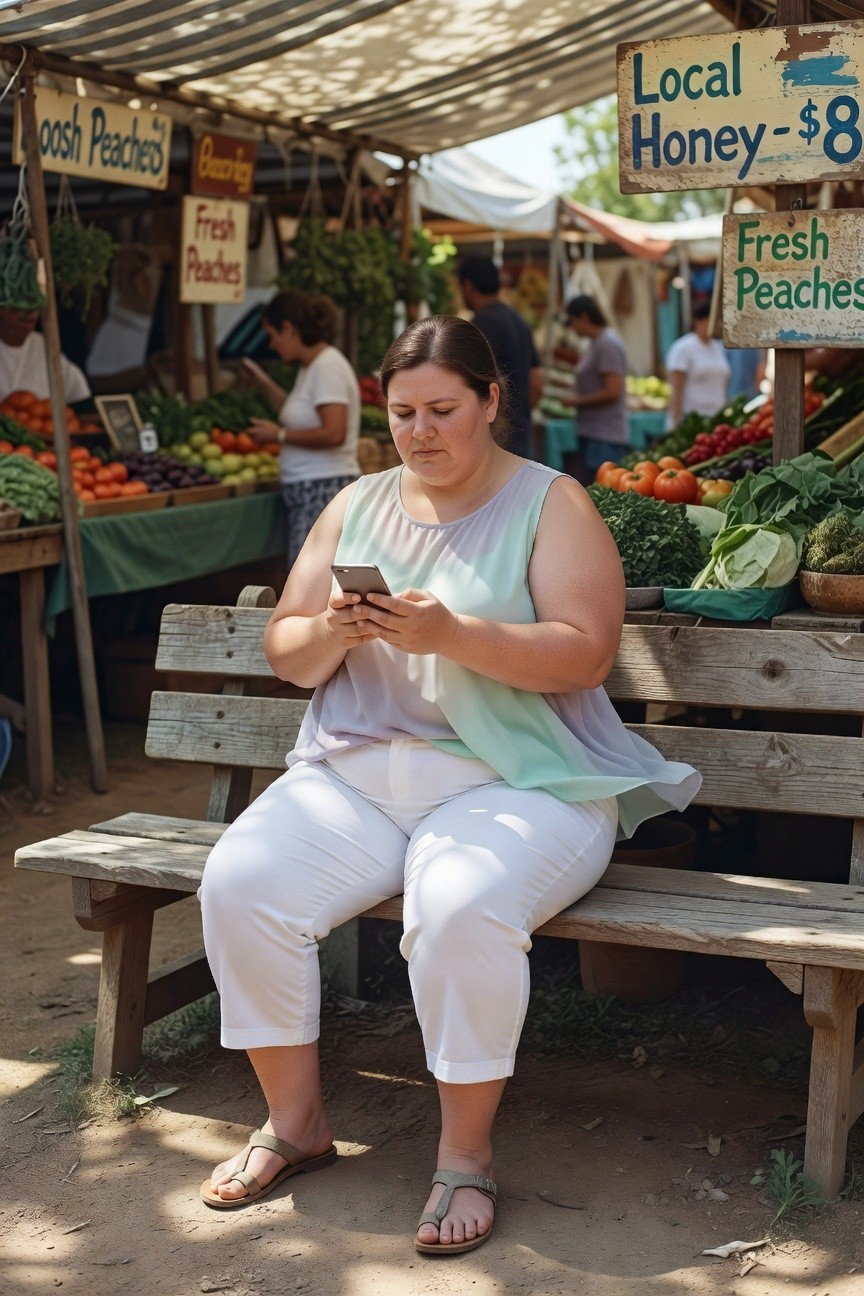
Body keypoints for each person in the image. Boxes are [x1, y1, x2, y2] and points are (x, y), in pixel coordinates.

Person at [197, 315, 700, 1253]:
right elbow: (288, 655)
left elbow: (585, 655)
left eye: (442, 409)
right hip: (359, 775)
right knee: (239, 884)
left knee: (459, 906)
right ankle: (296, 1125)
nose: (421, 431)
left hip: (525, 782)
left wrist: (450, 633)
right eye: (402, 413)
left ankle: (464, 1157)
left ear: (492, 401)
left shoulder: (555, 504)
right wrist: (338, 630)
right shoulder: (356, 505)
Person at [241, 289, 361, 567]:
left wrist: (278, 435)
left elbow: (334, 432)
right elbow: (296, 411)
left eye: (272, 335)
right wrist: (262, 381)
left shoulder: (326, 366)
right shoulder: (311, 367)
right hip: (312, 488)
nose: (271, 345)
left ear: (288, 328)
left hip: (321, 488)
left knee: (311, 577)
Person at [457, 255, 542, 459]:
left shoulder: (479, 326)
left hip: (495, 436)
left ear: (468, 286)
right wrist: (521, 414)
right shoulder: (519, 321)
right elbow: (537, 380)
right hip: (522, 430)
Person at [560, 295, 628, 483]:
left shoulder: (607, 344)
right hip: (593, 432)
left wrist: (576, 401)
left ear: (583, 317)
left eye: (573, 322)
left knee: (602, 491)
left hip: (604, 435)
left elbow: (613, 391)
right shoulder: (596, 343)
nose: (572, 328)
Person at [0, 305, 90, 404]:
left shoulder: (45, 346)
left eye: (34, 303)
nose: (28, 312)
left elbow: (79, 396)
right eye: (16, 304)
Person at [665, 301, 730, 430]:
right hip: (690, 423)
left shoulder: (718, 348)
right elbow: (677, 389)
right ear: (698, 321)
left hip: (716, 421)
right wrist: (674, 425)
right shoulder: (683, 348)